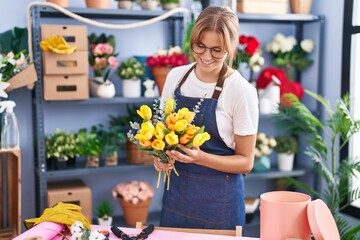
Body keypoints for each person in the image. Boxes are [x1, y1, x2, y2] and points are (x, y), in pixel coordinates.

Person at [153, 6, 259, 230]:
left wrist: (199, 157)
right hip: (177, 199)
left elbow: (246, 163)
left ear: (230, 49)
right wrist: (160, 157)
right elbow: (161, 132)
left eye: (216, 50)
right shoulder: (176, 77)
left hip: (220, 206)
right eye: (200, 46)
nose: (206, 56)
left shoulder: (241, 91)